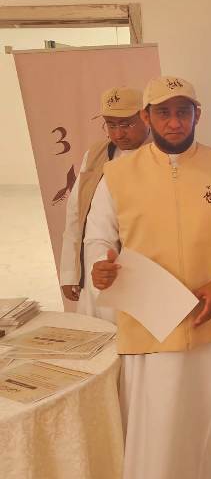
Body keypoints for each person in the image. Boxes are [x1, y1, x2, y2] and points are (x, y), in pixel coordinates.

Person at [85, 75, 211, 479]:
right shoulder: (117, 175)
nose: (174, 122)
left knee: (210, 420)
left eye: (183, 112)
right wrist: (99, 265)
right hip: (149, 322)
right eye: (163, 112)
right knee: (158, 426)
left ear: (197, 114)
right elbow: (98, 236)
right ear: (146, 117)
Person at [59, 86, 149, 320]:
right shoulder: (96, 154)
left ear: (145, 117)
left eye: (126, 124)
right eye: (111, 125)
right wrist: (70, 273)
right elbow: (76, 213)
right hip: (96, 269)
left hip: (141, 274)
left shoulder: (160, 156)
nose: (118, 134)